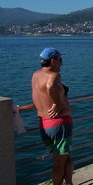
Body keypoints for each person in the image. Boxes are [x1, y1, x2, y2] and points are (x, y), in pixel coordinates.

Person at [32, 47, 73, 185]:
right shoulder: (54, 76)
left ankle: (69, 183)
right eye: (60, 60)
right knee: (59, 165)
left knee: (66, 158)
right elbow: (50, 87)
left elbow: (40, 96)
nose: (62, 63)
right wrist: (58, 104)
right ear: (53, 61)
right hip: (59, 125)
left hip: (44, 124)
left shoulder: (35, 75)